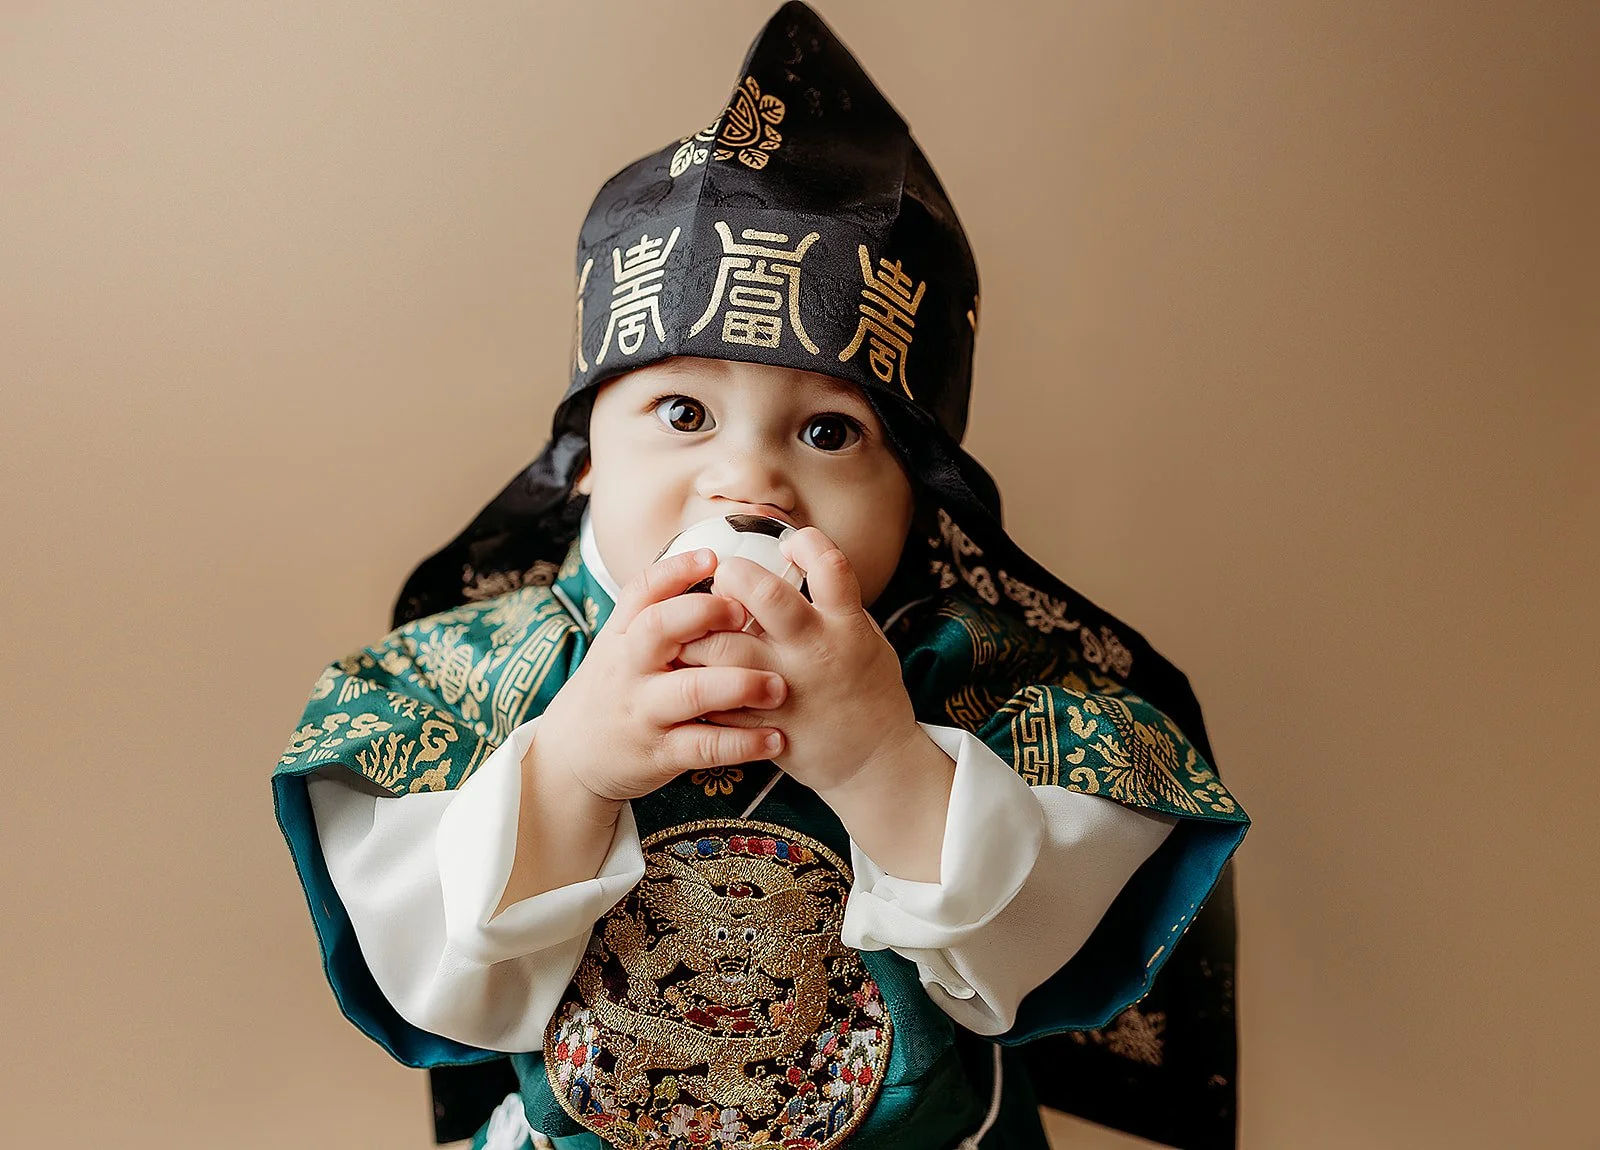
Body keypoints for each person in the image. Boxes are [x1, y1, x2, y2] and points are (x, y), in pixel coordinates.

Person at [272, 5, 1250, 1148]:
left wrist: (886, 758)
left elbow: (1036, 960)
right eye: (680, 411)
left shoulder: (991, 677)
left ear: (922, 491)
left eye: (829, 432)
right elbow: (435, 982)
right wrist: (570, 769)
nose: (748, 481)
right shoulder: (468, 679)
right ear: (584, 460)